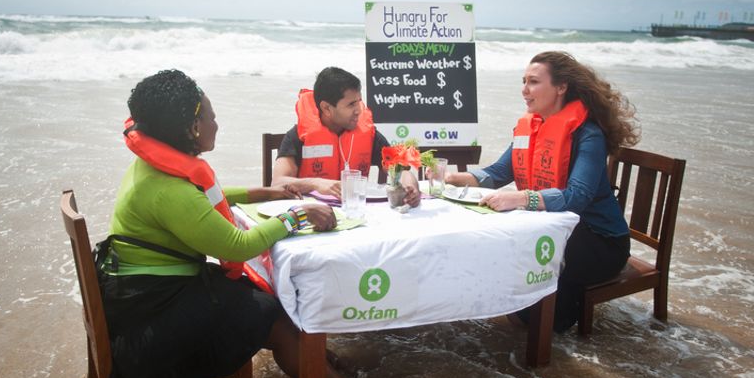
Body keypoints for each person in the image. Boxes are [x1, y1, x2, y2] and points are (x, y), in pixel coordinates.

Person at [99, 69, 349, 378]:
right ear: (192, 129)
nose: (217, 124)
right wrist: (297, 215)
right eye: (211, 117)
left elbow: (202, 199)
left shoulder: (153, 168)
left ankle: (328, 370)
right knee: (271, 315)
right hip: (150, 314)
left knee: (269, 300)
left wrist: (263, 193)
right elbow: (239, 244)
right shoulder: (169, 191)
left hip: (143, 289)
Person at [445, 51, 640, 333]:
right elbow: (499, 172)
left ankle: (546, 318)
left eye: (534, 82)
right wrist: (454, 178)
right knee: (502, 242)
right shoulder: (531, 126)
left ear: (561, 87)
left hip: (600, 242)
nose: (524, 90)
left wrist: (520, 198)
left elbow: (577, 196)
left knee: (514, 248)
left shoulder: (589, 135)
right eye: (523, 81)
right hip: (556, 230)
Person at [272, 66, 420, 206]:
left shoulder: (369, 134)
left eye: (359, 103)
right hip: (313, 216)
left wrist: (410, 187)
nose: (358, 111)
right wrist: (316, 183)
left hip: (355, 211)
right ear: (327, 108)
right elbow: (277, 183)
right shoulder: (297, 136)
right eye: (351, 105)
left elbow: (402, 171)